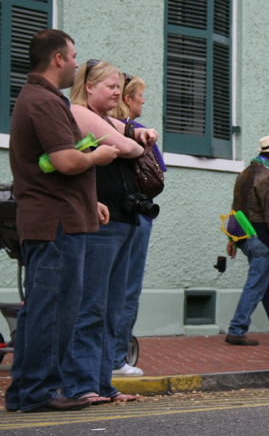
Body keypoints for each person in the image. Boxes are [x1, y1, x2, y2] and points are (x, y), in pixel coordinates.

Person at [5, 30, 119, 413]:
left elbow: (52, 166)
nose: (75, 63)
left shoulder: (35, 97)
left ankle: (25, 392)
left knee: (41, 308)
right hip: (57, 224)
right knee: (53, 310)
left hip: (52, 218)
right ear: (57, 59)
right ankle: (40, 392)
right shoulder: (45, 101)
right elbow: (66, 161)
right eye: (72, 56)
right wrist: (99, 155)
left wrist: (90, 200)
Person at [59, 59, 157, 404]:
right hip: (99, 224)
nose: (118, 92)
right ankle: (81, 386)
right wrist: (135, 140)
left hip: (122, 221)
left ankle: (103, 385)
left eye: (119, 86)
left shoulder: (104, 119)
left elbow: (134, 133)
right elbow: (130, 146)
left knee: (111, 309)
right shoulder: (79, 112)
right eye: (111, 86)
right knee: (90, 308)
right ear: (89, 87)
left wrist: (137, 133)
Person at [107, 73, 167, 376]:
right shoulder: (140, 133)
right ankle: (117, 358)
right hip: (135, 217)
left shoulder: (101, 127)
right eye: (140, 95)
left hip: (109, 216)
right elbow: (157, 177)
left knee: (104, 289)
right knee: (127, 289)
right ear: (127, 99)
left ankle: (103, 357)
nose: (144, 100)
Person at [224, 134, 269, 346]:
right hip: (263, 241)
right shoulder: (268, 177)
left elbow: (235, 208)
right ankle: (236, 329)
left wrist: (232, 240)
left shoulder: (244, 173)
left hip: (245, 239)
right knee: (256, 286)